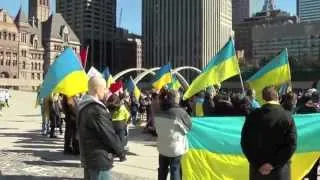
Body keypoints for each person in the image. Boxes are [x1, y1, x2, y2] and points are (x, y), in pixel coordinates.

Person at [241, 86, 297, 180]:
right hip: (280, 172)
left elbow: (245, 143)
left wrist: (257, 164)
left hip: (257, 172)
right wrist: (273, 164)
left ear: (263, 98)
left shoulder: (252, 116)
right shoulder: (287, 117)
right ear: (278, 97)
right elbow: (292, 145)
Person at [78, 76, 123, 180]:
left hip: (89, 158)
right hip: (99, 159)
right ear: (97, 89)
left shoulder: (83, 106)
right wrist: (120, 151)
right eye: (104, 88)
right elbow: (108, 134)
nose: (106, 91)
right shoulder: (97, 109)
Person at [155, 89, 192, 180]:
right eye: (178, 97)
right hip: (175, 148)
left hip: (162, 147)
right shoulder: (180, 113)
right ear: (174, 99)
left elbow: (156, 128)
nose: (179, 99)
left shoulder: (158, 111)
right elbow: (188, 127)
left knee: (162, 170)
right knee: (175, 170)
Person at [107, 94, 130, 162]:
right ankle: (122, 156)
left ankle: (113, 154)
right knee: (121, 141)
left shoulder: (109, 107)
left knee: (113, 140)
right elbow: (127, 115)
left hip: (111, 124)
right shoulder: (122, 107)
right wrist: (125, 121)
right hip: (120, 124)